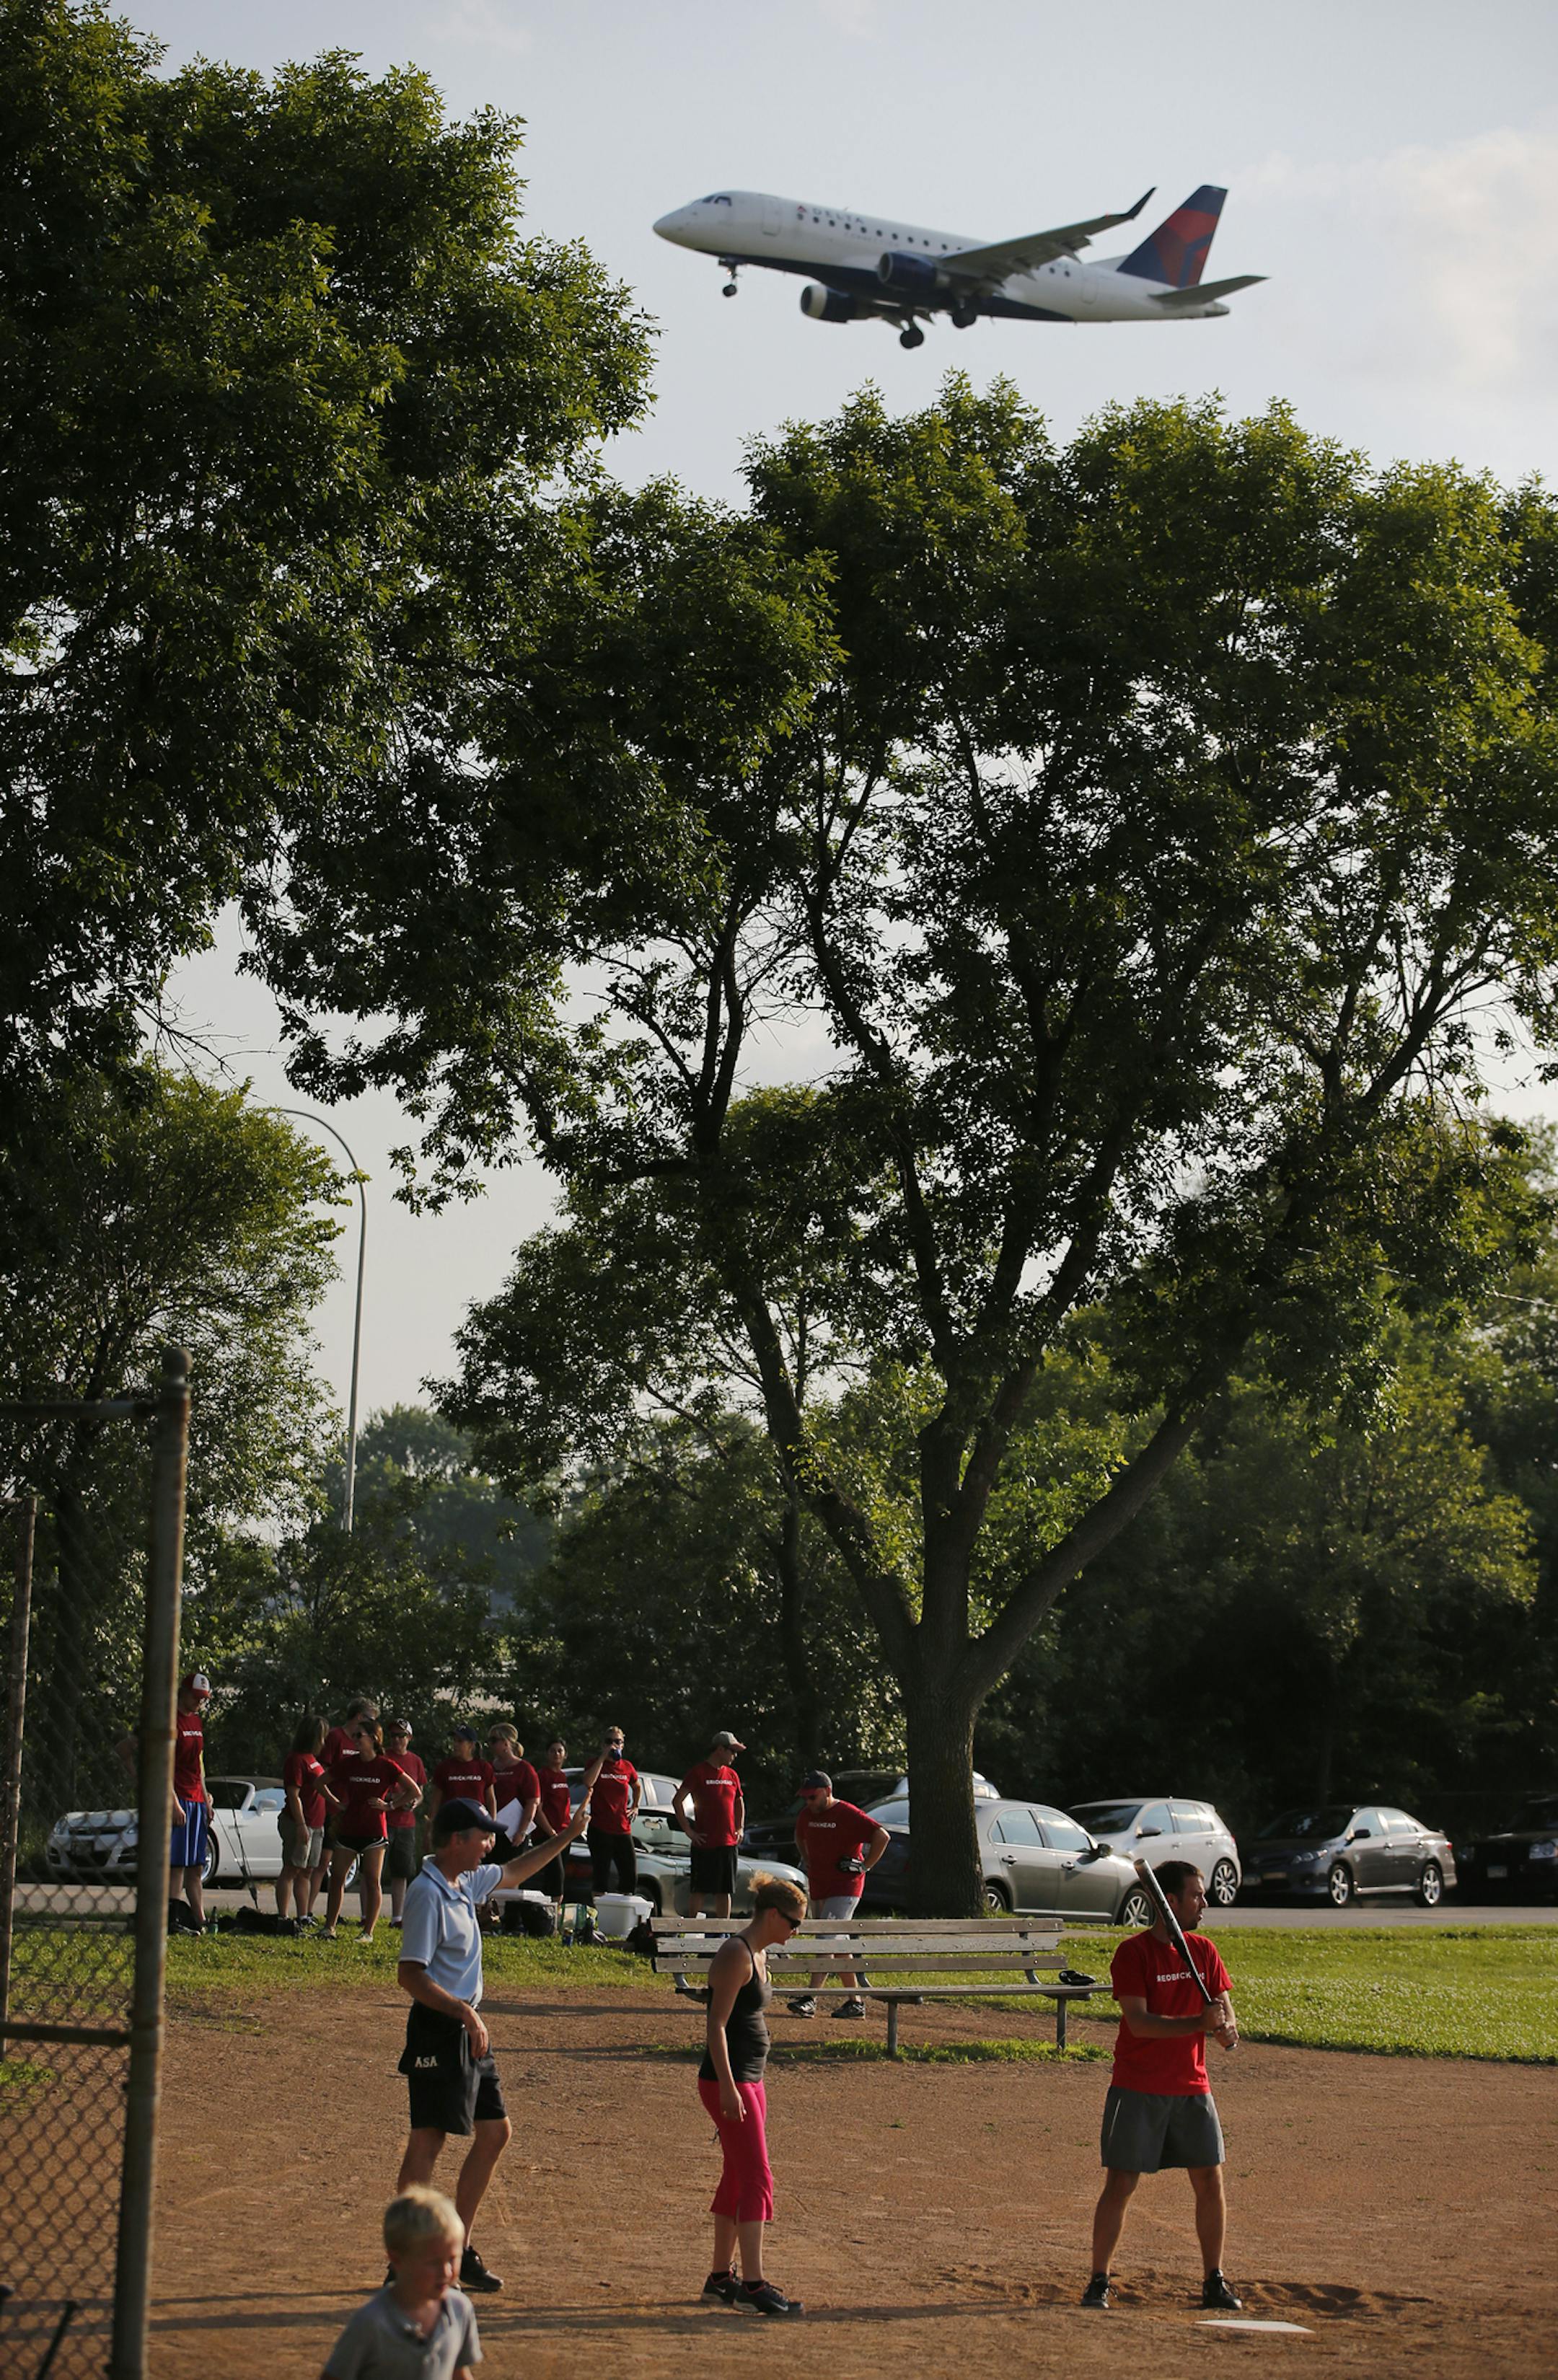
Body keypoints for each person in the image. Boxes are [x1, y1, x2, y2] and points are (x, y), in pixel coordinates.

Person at [396, 1791, 594, 2293]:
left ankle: (456, 2248)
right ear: (457, 1840)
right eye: (483, 1835)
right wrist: (463, 2011)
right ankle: (404, 2263)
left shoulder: (463, 1882)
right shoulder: (427, 1891)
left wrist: (567, 1836)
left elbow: (516, 1872)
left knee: (495, 2132)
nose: (490, 1844)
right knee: (429, 2138)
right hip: (442, 2027)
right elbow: (411, 1975)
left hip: (468, 2027)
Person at [1081, 1859, 1241, 2314]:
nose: (1203, 1902)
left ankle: (1214, 2279)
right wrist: (1199, 2023)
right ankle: (1099, 2280)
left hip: (1193, 2086)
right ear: (1169, 1903)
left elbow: (1225, 2012)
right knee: (1122, 2182)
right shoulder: (1133, 1954)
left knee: (1210, 2180)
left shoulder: (1205, 1952)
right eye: (1195, 1895)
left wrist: (1226, 2027)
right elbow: (1140, 2024)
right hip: (1139, 2087)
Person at [696, 1873, 808, 2317]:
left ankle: (721, 2279)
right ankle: (753, 2286)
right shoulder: (735, 1954)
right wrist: (727, 2085)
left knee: (739, 2177)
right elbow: (716, 2026)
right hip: (730, 2081)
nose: (795, 1932)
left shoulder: (759, 1954)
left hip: (750, 2079)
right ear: (772, 1915)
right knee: (759, 2178)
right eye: (794, 1923)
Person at [320, 2185, 480, 2380]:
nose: (446, 2271)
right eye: (433, 2263)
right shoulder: (371, 2323)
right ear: (397, 2259)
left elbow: (459, 2373)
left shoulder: (459, 2310)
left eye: (453, 2258)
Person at [785, 1770, 889, 2020]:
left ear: (828, 1792)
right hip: (820, 1884)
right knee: (838, 1941)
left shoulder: (847, 1813)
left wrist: (866, 1866)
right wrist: (807, 1858)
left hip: (846, 1885)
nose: (809, 1802)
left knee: (826, 1937)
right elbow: (799, 1837)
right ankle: (855, 2002)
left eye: (813, 1797)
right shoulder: (806, 1815)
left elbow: (882, 1836)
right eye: (806, 1797)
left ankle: (811, 1998)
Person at [117, 1668, 213, 1932]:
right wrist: (172, 1801)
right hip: (178, 1798)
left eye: (202, 1698)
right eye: (195, 1697)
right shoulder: (168, 1721)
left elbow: (199, 1764)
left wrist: (206, 1799)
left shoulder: (196, 1722)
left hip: (196, 1799)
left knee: (195, 1864)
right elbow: (162, 1765)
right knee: (177, 1864)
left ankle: (199, 1919)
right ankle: (171, 1918)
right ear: (181, 1693)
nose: (198, 1702)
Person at [321, 1714, 420, 1944]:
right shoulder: (350, 1763)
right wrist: (337, 1804)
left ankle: (368, 1932)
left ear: (374, 1738)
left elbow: (414, 1790)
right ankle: (329, 1927)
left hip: (375, 1830)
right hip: (349, 1828)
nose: (355, 1740)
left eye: (359, 1736)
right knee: (337, 1877)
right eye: (354, 1736)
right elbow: (320, 1782)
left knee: (372, 1880)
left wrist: (390, 1805)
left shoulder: (386, 1765)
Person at [673, 1730, 747, 1920]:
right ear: (720, 1749)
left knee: (724, 1891)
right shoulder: (698, 1772)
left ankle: (724, 1933)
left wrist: (740, 1828)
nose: (735, 1756)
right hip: (704, 1843)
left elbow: (739, 1802)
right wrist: (689, 1831)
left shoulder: (732, 1775)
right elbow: (678, 1801)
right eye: (732, 1751)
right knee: (699, 1889)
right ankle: (692, 1930)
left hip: (728, 1843)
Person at [279, 1714, 339, 1926]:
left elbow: (321, 1790)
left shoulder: (314, 1761)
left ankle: (303, 1916)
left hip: (317, 1823)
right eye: (321, 1738)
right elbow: (293, 1795)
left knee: (307, 1871)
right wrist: (301, 1824)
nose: (323, 1743)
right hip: (299, 1823)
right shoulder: (296, 1760)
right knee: (291, 1869)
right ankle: (283, 1917)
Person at [586, 1725, 641, 1899]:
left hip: (622, 1828)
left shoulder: (627, 1767)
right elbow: (588, 1782)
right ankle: (597, 1917)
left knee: (629, 1875)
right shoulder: (595, 1763)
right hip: (600, 1828)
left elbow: (637, 1786)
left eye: (617, 1742)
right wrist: (603, 1758)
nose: (614, 1745)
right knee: (601, 1876)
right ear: (603, 1744)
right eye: (609, 1742)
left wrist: (635, 1806)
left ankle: (623, 1914)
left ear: (623, 1745)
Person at [383, 1720, 427, 1929]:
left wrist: (414, 1802)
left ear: (409, 1738)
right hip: (383, 1820)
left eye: (401, 1736)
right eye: (393, 1736)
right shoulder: (383, 1757)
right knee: (372, 1871)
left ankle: (397, 1917)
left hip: (406, 1823)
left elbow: (420, 1792)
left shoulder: (415, 1761)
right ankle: (366, 1915)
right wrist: (393, 1798)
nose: (397, 1740)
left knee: (401, 1872)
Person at [532, 1738, 576, 1905]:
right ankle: (550, 1915)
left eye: (560, 1751)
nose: (556, 1754)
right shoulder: (542, 1776)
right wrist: (551, 1832)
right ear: (547, 1754)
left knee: (560, 1875)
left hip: (564, 1833)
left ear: (565, 1755)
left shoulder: (563, 1777)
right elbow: (538, 1809)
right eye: (553, 1751)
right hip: (547, 1835)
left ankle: (551, 1915)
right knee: (555, 1876)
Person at [428, 1724, 497, 1825]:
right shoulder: (444, 1767)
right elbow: (435, 1802)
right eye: (454, 1741)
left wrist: (492, 1825)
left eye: (460, 1741)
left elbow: (491, 1799)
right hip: (451, 1823)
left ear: (471, 1745)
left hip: (476, 1823)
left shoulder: (484, 1767)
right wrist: (431, 1827)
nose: (455, 1745)